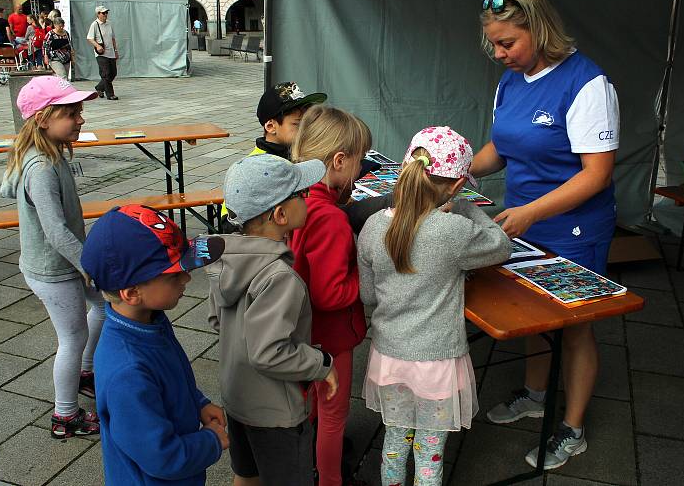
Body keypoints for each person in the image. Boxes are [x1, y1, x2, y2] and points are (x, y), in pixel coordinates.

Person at [473, 0, 620, 470]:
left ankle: (573, 428)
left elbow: (597, 174)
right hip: (524, 221)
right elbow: (503, 148)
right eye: (493, 43)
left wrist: (534, 211)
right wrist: (454, 170)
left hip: (573, 229)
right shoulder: (512, 79)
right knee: (534, 314)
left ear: (538, 29)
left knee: (576, 328)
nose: (498, 53)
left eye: (507, 43)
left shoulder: (587, 84)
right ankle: (537, 393)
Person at [358, 127, 512, 486]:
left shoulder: (369, 227)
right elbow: (500, 244)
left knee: (394, 443)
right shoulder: (453, 230)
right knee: (430, 453)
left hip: (389, 358)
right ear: (457, 186)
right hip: (437, 361)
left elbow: (368, 296)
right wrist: (467, 209)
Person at [208, 154, 340, 486]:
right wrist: (321, 363)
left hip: (237, 398)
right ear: (280, 214)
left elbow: (216, 320)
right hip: (276, 414)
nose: (307, 197)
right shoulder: (280, 278)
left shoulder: (224, 257)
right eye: (301, 193)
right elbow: (270, 352)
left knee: (246, 474)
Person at [81, 204, 229, 485]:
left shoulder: (150, 320)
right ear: (132, 293)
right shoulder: (127, 371)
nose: (186, 278)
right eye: (175, 275)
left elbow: (171, 378)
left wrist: (197, 403)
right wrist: (211, 441)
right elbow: (162, 457)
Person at [0, 76, 104, 439]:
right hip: (54, 270)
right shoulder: (40, 168)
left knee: (102, 307)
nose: (81, 119)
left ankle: (85, 373)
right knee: (71, 338)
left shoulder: (50, 154)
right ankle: (65, 416)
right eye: (71, 113)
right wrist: (87, 265)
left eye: (80, 111)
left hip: (65, 263)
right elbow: (56, 231)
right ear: (43, 118)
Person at [290, 105, 371, 486]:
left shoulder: (300, 199)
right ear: (339, 160)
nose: (361, 169)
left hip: (305, 331)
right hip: (332, 336)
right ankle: (330, 480)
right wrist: (367, 273)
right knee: (334, 414)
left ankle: (310, 463)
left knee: (314, 407)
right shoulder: (333, 219)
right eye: (359, 160)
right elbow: (331, 293)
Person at [219, 81, 327, 232]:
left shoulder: (295, 153)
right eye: (297, 125)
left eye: (306, 124)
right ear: (270, 126)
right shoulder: (254, 167)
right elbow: (230, 222)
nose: (305, 131)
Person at [86, 6, 119, 100]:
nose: (105, 15)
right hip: (101, 53)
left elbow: (113, 38)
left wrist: (116, 50)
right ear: (98, 14)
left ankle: (99, 88)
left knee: (113, 73)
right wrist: (97, 46)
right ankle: (110, 94)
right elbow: (89, 38)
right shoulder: (95, 24)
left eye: (106, 13)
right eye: (103, 13)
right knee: (106, 73)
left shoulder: (109, 23)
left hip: (111, 52)